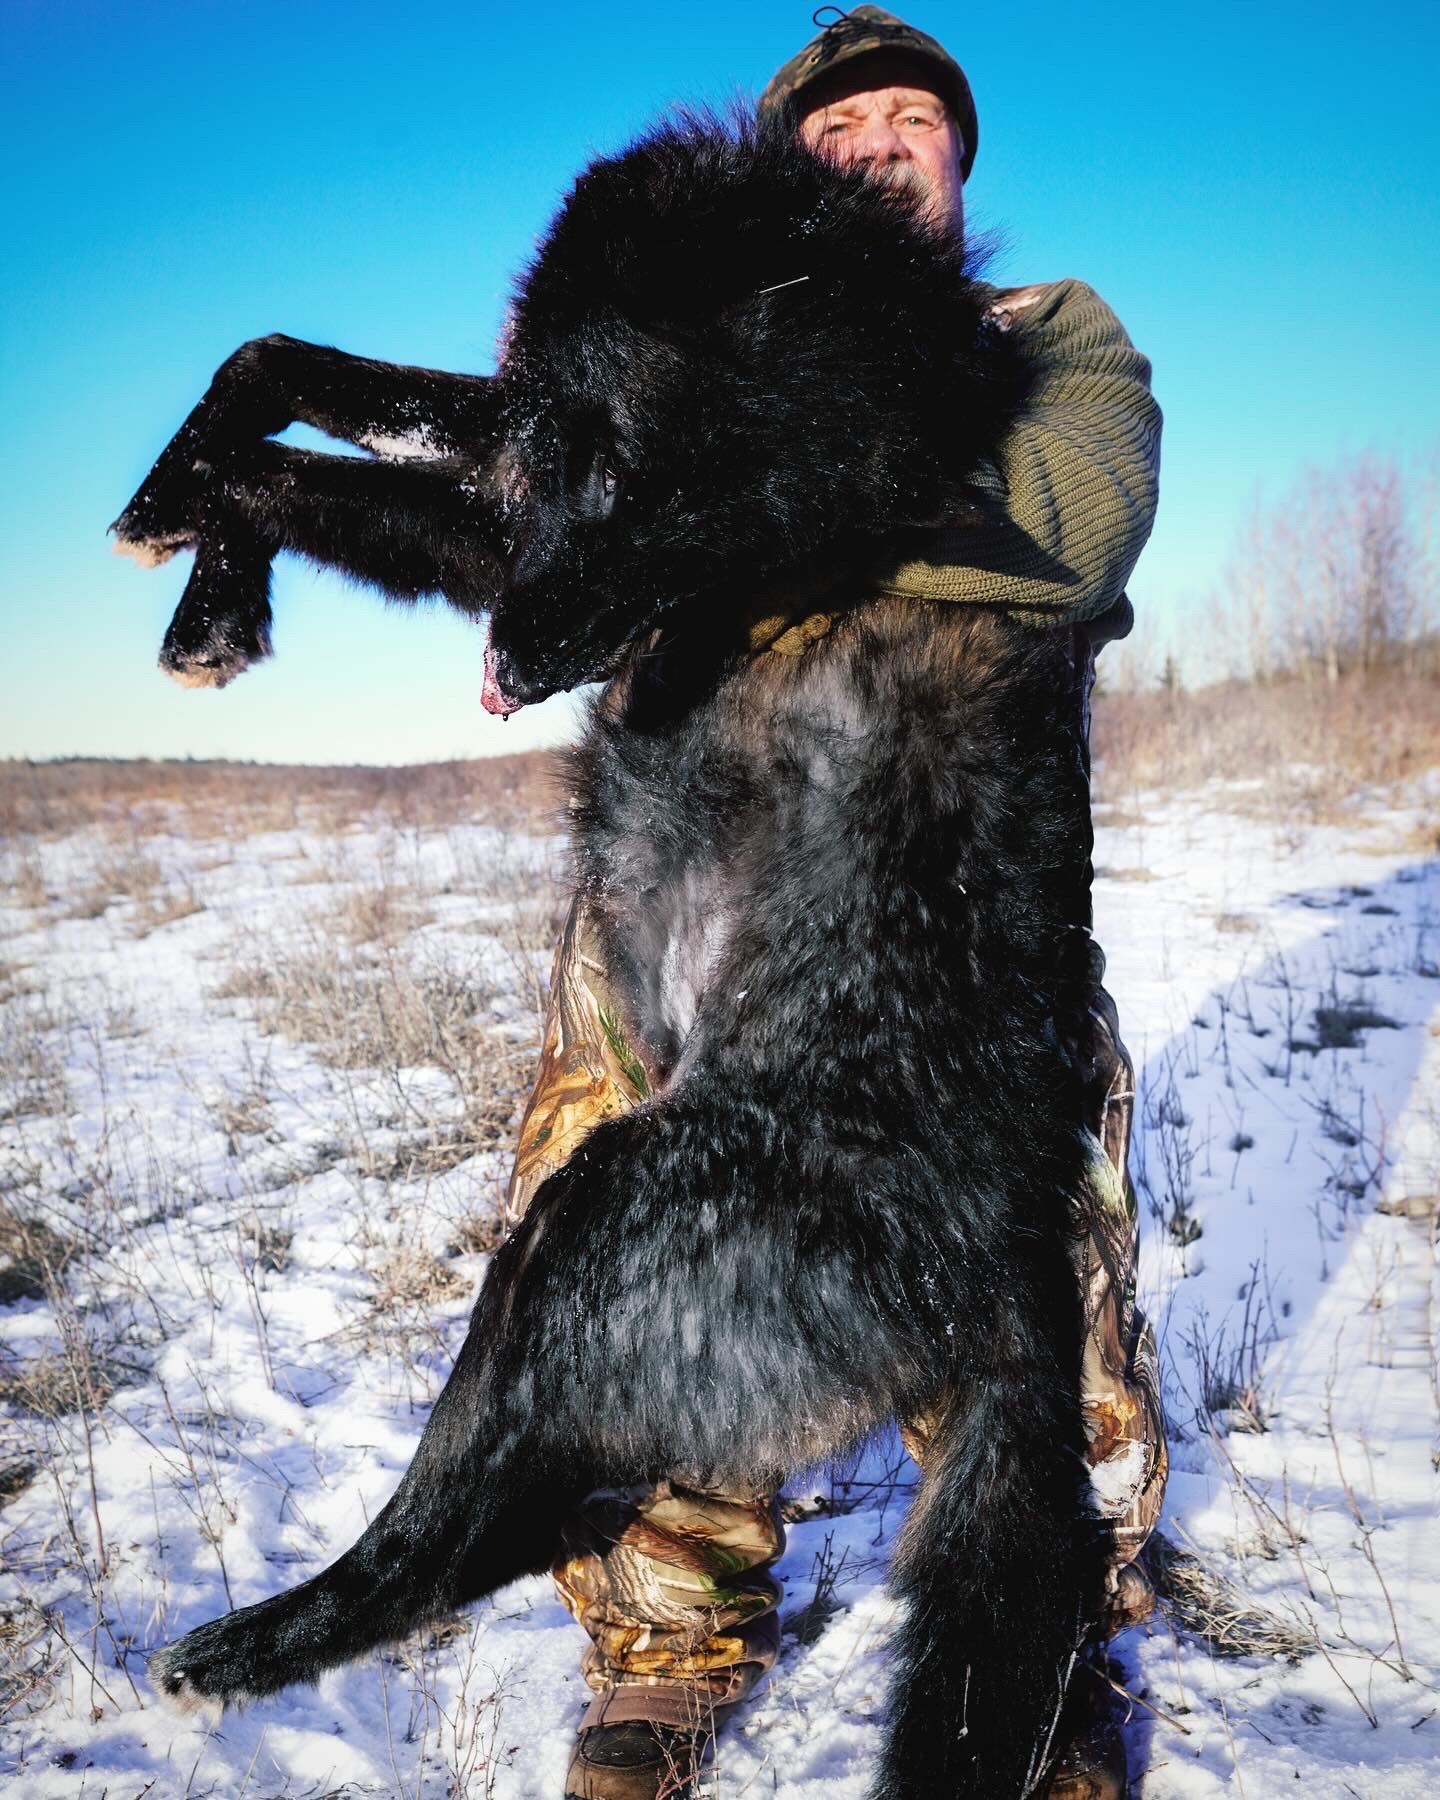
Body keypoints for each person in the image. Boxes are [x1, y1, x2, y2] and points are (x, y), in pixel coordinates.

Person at [503, 10, 1168, 1797]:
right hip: (693, 891)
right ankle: (672, 1634)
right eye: (837, 122)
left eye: (911, 118)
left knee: (1030, 1286)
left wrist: (728, 492)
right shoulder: (680, 332)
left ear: (958, 162)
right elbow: (550, 511)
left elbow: (1061, 531)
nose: (877, 141)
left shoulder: (1050, 336)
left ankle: (1038, 1649)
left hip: (951, 905)